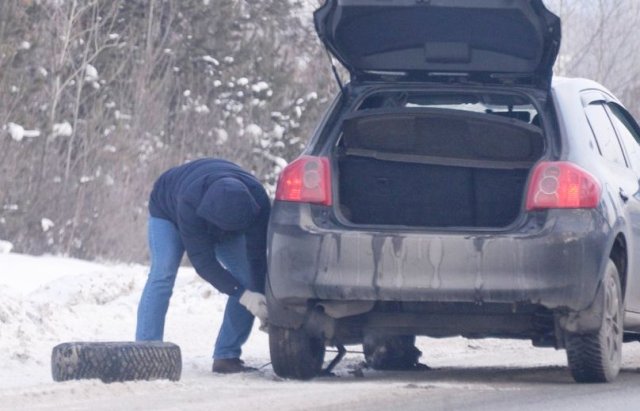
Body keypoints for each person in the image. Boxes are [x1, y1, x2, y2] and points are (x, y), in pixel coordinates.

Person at [135, 158, 271, 373]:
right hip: (168, 212)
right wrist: (243, 296)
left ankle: (226, 357)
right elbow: (203, 262)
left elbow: (257, 256)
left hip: (218, 214)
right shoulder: (189, 201)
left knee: (247, 278)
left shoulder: (259, 201)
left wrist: (260, 297)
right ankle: (145, 354)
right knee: (163, 274)